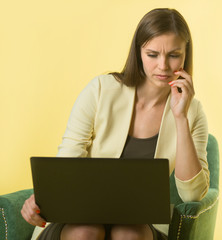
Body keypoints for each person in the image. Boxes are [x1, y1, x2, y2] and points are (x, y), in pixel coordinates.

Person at [21, 8, 209, 240]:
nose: (163, 66)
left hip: (139, 227)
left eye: (173, 55)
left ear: (185, 55)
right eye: (152, 54)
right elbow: (67, 163)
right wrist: (42, 199)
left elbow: (192, 194)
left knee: (128, 233)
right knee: (86, 232)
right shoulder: (100, 90)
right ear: (138, 52)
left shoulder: (194, 111)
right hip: (79, 220)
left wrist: (181, 117)